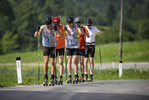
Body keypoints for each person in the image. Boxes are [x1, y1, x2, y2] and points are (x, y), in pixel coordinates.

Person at [34, 16, 63, 86]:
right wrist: (37, 30)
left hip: (53, 46)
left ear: (51, 24)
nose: (48, 26)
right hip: (45, 46)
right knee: (46, 61)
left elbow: (61, 35)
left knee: (53, 62)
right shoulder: (43, 27)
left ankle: (52, 77)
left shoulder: (54, 27)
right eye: (47, 25)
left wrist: (57, 30)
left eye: (49, 25)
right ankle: (45, 77)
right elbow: (36, 35)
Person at [65, 16, 84, 84]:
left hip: (75, 46)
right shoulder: (66, 27)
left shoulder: (75, 27)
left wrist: (79, 27)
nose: (70, 25)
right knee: (69, 61)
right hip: (68, 46)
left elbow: (82, 33)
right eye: (69, 24)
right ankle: (70, 76)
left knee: (75, 61)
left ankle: (76, 75)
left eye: (71, 24)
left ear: (73, 23)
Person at [52, 16, 70, 85]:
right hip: (54, 47)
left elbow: (63, 35)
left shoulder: (62, 27)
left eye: (57, 23)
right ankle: (54, 76)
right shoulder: (52, 27)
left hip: (61, 47)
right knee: (53, 62)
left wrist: (59, 30)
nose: (55, 25)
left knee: (60, 62)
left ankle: (61, 77)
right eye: (54, 23)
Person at [74, 17, 89, 82]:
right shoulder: (73, 29)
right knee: (75, 61)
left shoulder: (83, 28)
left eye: (79, 22)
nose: (78, 24)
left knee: (82, 62)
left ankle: (82, 75)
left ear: (81, 23)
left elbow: (85, 35)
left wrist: (80, 28)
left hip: (82, 47)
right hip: (76, 47)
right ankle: (76, 75)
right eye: (76, 23)